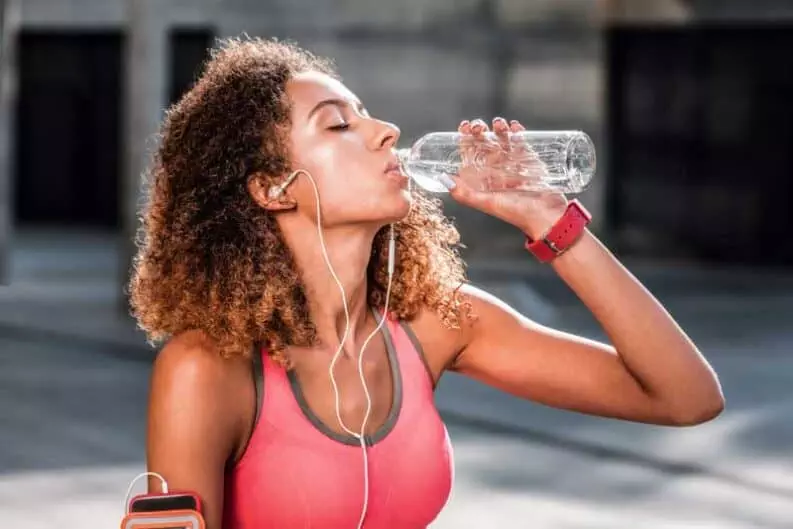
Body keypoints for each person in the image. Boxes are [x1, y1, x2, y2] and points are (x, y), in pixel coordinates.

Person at [129, 37, 724, 529]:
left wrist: (550, 220)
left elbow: (686, 397)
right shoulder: (207, 371)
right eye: (338, 125)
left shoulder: (436, 321)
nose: (386, 131)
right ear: (272, 188)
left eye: (367, 114)